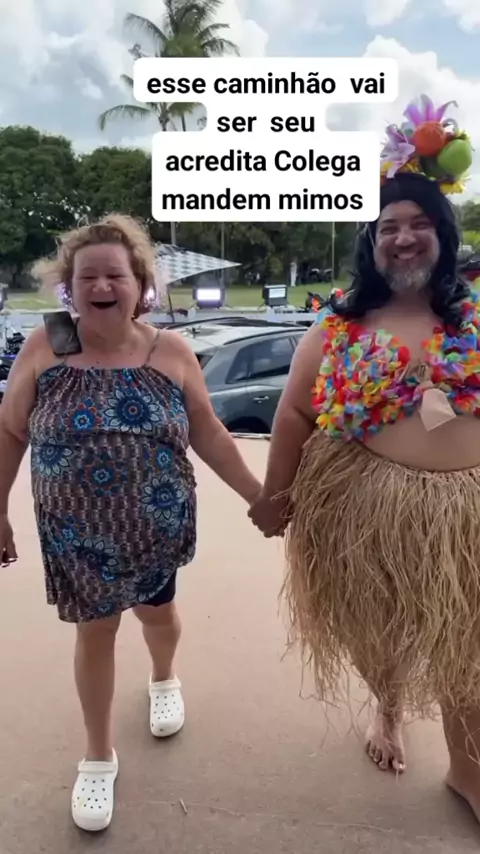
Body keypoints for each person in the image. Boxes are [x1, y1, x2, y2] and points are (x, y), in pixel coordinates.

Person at [249, 95, 480, 821]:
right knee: (380, 631)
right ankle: (387, 706)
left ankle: (468, 773)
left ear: (443, 234)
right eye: (388, 228)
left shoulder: (474, 315)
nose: (403, 239)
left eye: (419, 225)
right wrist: (274, 496)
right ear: (371, 244)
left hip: (467, 517)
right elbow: (294, 412)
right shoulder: (341, 325)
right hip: (366, 510)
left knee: (468, 649)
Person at [0, 214, 261, 832]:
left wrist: (260, 498)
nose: (100, 285)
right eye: (86, 276)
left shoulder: (170, 351)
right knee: (95, 632)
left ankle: (164, 678)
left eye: (114, 275)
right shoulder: (44, 345)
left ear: (140, 283)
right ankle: (98, 756)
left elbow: (208, 433)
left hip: (155, 528)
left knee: (156, 615)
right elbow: (10, 432)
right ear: (69, 286)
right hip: (74, 534)